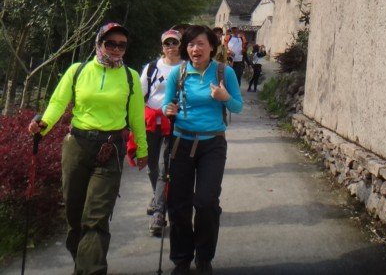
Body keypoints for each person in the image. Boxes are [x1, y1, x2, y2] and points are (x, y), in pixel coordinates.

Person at [28, 22, 148, 275]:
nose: (116, 49)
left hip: (110, 149)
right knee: (74, 215)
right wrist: (43, 126)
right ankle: (81, 261)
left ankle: (91, 270)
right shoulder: (78, 70)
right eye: (110, 43)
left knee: (96, 217)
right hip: (77, 146)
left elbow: (137, 116)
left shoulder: (130, 77)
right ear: (99, 43)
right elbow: (57, 103)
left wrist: (142, 149)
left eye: (122, 45)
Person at [162, 25, 243, 274]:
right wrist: (168, 109)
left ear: (211, 46)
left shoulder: (224, 72)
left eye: (200, 43)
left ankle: (204, 257)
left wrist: (224, 98)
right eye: (190, 44)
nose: (195, 49)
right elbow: (167, 104)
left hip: (212, 144)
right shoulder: (178, 73)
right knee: (179, 204)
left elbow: (238, 106)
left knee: (207, 202)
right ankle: (181, 259)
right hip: (181, 142)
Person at [130, 29, 182, 237]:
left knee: (163, 167)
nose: (171, 47)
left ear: (180, 45)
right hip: (151, 121)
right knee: (151, 165)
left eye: (174, 43)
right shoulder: (152, 68)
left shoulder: (185, 68)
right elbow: (140, 93)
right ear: (162, 46)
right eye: (167, 43)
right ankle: (157, 195)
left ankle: (159, 213)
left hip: (173, 122)